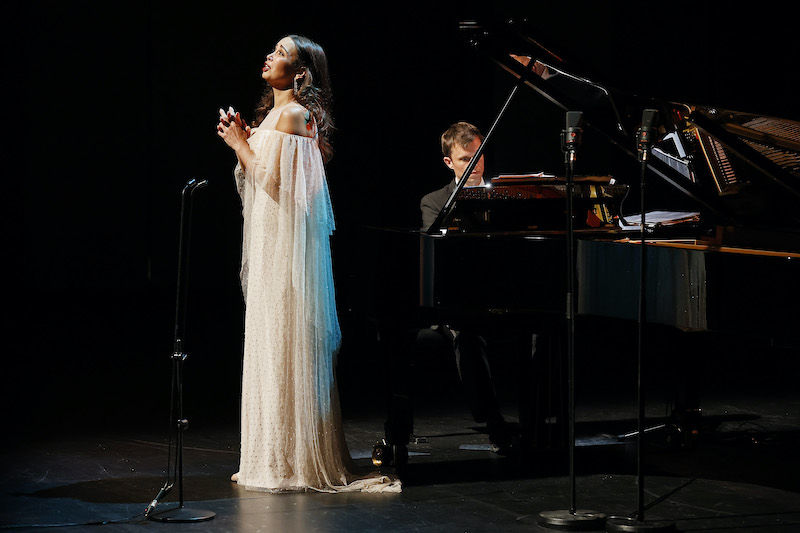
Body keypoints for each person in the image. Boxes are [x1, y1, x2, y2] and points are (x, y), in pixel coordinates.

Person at [217, 34, 400, 493]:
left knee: (285, 342)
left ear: (300, 72)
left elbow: (279, 185)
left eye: (280, 53)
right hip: (269, 248)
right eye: (272, 50)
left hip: (286, 254)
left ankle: (292, 462)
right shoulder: (274, 117)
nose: (269, 55)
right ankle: (271, 456)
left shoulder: (296, 115)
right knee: (269, 342)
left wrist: (242, 144)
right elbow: (259, 180)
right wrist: (246, 139)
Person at [417, 122, 518, 452]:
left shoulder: (505, 197)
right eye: (464, 159)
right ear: (449, 162)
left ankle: (540, 420)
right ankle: (494, 425)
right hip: (454, 303)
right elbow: (433, 252)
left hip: (498, 296)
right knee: (468, 336)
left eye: (478, 157)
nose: (473, 166)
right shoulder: (434, 201)